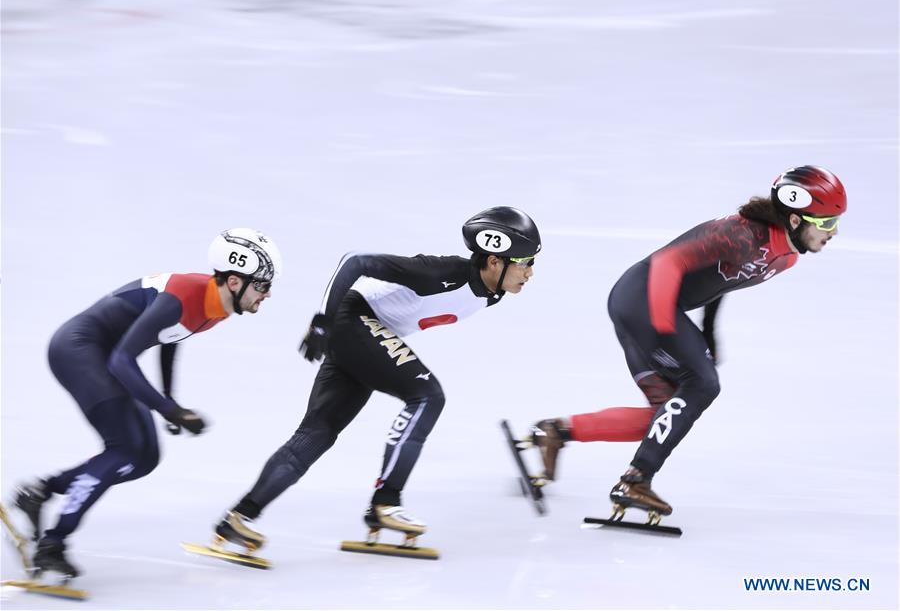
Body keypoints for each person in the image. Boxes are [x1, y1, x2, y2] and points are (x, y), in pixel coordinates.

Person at [212, 206, 540, 550]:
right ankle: (386, 501)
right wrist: (322, 321)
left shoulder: (495, 293)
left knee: (318, 433)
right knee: (428, 396)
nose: (530, 272)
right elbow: (355, 261)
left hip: (364, 335)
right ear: (493, 261)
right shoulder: (441, 272)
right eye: (525, 262)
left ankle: (240, 517)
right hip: (354, 320)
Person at [529, 165, 846, 519]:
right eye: (827, 224)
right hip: (643, 300)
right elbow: (669, 261)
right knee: (704, 384)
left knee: (662, 416)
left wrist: (708, 329)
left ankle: (555, 431)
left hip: (648, 306)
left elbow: (724, 278)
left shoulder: (785, 257)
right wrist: (665, 327)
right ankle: (636, 479)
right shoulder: (743, 235)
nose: (833, 233)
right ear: (795, 220)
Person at [12, 228, 282, 578]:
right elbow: (123, 361)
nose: (268, 293)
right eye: (262, 285)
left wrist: (170, 398)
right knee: (124, 450)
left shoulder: (217, 304)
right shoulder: (183, 297)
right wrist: (170, 410)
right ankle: (53, 545)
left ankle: (39, 492)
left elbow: (173, 336)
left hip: (105, 354)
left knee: (145, 457)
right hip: (80, 350)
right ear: (234, 281)